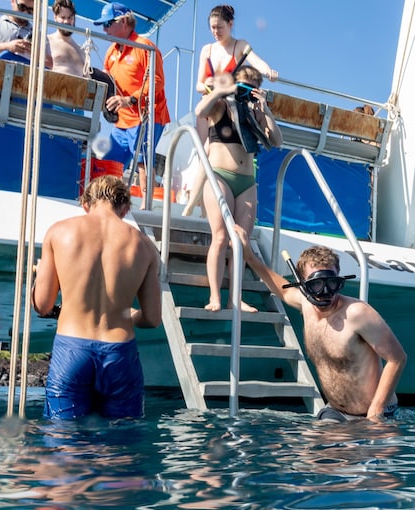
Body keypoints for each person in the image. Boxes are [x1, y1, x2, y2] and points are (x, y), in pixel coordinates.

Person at [235, 227, 407, 422]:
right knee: (310, 452)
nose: (325, 292)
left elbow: (397, 358)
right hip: (334, 412)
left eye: (331, 283)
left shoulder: (357, 313)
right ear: (303, 284)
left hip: (376, 415)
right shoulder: (306, 304)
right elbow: (282, 291)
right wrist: (250, 258)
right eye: (316, 285)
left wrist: (376, 411)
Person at [32, 175, 161, 420]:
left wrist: (37, 276)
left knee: (63, 442)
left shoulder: (60, 232)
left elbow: (43, 305)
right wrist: (125, 314)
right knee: (121, 446)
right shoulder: (144, 246)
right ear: (125, 209)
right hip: (120, 353)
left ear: (86, 204)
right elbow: (153, 318)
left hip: (72, 348)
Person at [186, 68, 281, 313]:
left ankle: (235, 298)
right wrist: (221, 89)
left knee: (241, 242)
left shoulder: (254, 112)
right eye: (243, 85)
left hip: (247, 182)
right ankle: (216, 296)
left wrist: (265, 110)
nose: (245, 91)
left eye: (251, 87)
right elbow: (199, 111)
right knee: (220, 237)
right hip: (220, 177)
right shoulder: (221, 105)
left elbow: (277, 141)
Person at [94, 2, 171, 197]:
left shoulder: (145, 47)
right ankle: (109, 201)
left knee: (142, 161)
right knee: (110, 163)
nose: (105, 29)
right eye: (103, 25)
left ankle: (147, 206)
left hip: (147, 116)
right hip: (122, 121)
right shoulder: (111, 51)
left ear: (125, 22)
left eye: (108, 24)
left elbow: (158, 82)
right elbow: (108, 78)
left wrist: (129, 100)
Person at [195, 4, 277, 94]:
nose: (216, 32)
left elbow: (256, 62)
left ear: (230, 24)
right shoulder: (206, 50)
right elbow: (199, 85)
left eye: (219, 27)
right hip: (210, 103)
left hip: (232, 101)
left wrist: (268, 71)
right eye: (213, 27)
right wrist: (207, 87)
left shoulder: (240, 45)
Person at [0, 0, 53, 67]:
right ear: (13, 1)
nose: (25, 13)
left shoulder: (40, 36)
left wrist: (37, 54)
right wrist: (7, 46)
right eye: (22, 7)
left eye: (30, 10)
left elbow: (51, 65)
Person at [48, 0, 85, 77]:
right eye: (63, 17)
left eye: (70, 17)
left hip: (79, 88)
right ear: (55, 18)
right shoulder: (46, 42)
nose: (66, 21)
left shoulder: (82, 50)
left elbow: (88, 78)